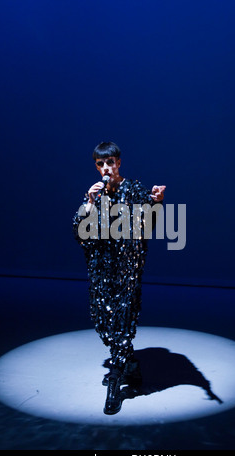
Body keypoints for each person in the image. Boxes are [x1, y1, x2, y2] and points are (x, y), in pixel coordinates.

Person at [73, 141, 166, 415]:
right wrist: (89, 203)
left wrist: (156, 202)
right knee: (102, 321)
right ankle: (130, 366)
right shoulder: (95, 194)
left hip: (127, 268)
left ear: (118, 163)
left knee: (123, 322)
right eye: (101, 164)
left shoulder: (133, 188)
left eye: (110, 163)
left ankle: (115, 382)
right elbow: (79, 231)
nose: (106, 168)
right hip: (101, 268)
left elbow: (149, 221)